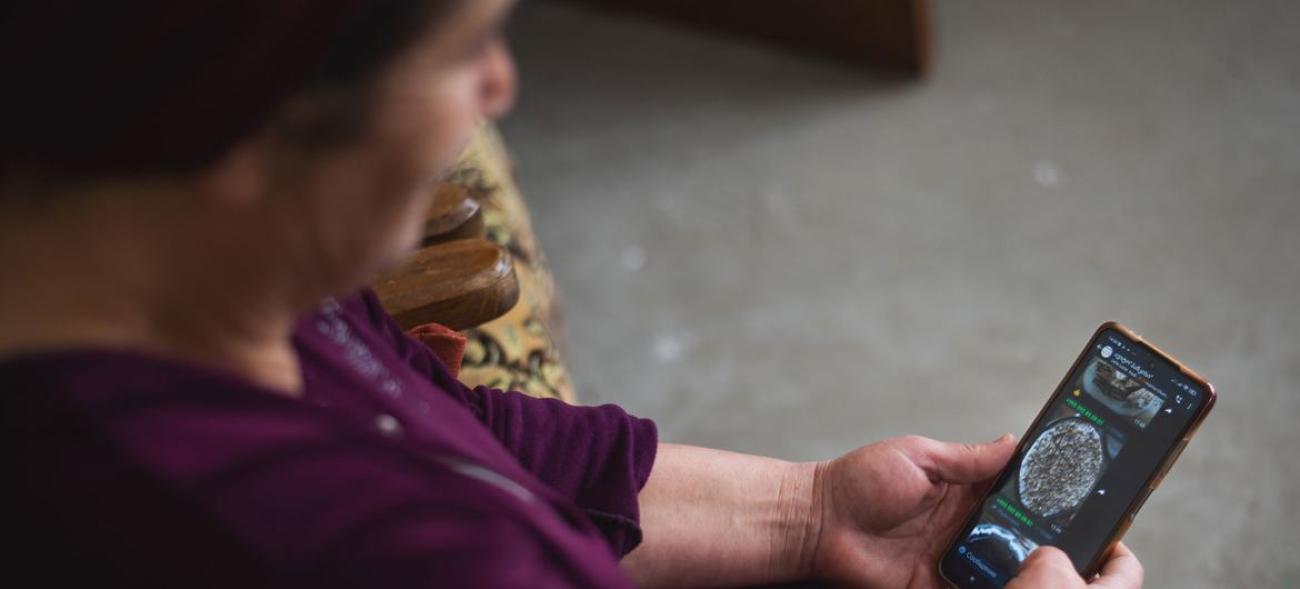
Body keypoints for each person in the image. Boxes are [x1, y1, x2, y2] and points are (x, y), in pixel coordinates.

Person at [0, 1, 1144, 587]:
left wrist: (806, 515)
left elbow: (453, 428)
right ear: (239, 129)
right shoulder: (355, 553)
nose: (501, 88)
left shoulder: (209, 277)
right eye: (461, 51)